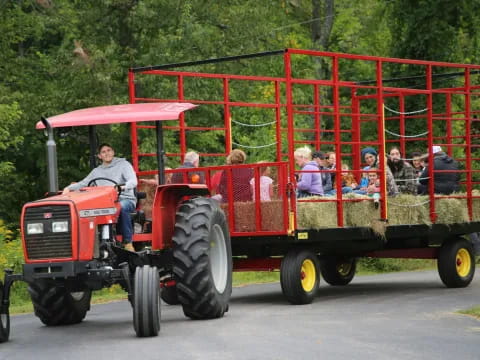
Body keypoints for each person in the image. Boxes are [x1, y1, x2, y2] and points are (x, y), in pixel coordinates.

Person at [62, 143, 137, 251]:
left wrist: (122, 187)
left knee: (121, 207)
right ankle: (91, 244)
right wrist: (68, 188)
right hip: (105, 202)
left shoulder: (124, 165)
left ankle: (128, 242)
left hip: (124, 199)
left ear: (113, 152)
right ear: (99, 156)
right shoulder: (96, 171)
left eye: (109, 150)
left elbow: (133, 181)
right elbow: (83, 183)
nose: (107, 153)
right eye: (103, 152)